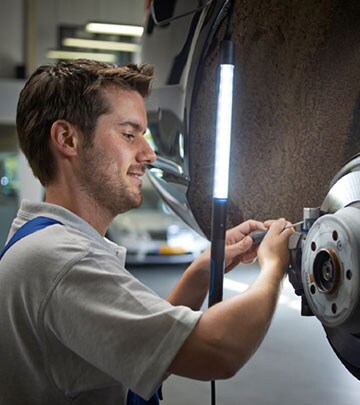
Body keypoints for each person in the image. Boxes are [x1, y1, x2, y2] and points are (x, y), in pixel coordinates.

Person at [0, 59, 294, 405]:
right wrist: (274, 265)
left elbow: (144, 349)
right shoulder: (62, 261)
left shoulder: (44, 243)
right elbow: (219, 349)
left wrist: (202, 271)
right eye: (129, 134)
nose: (149, 154)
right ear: (67, 139)